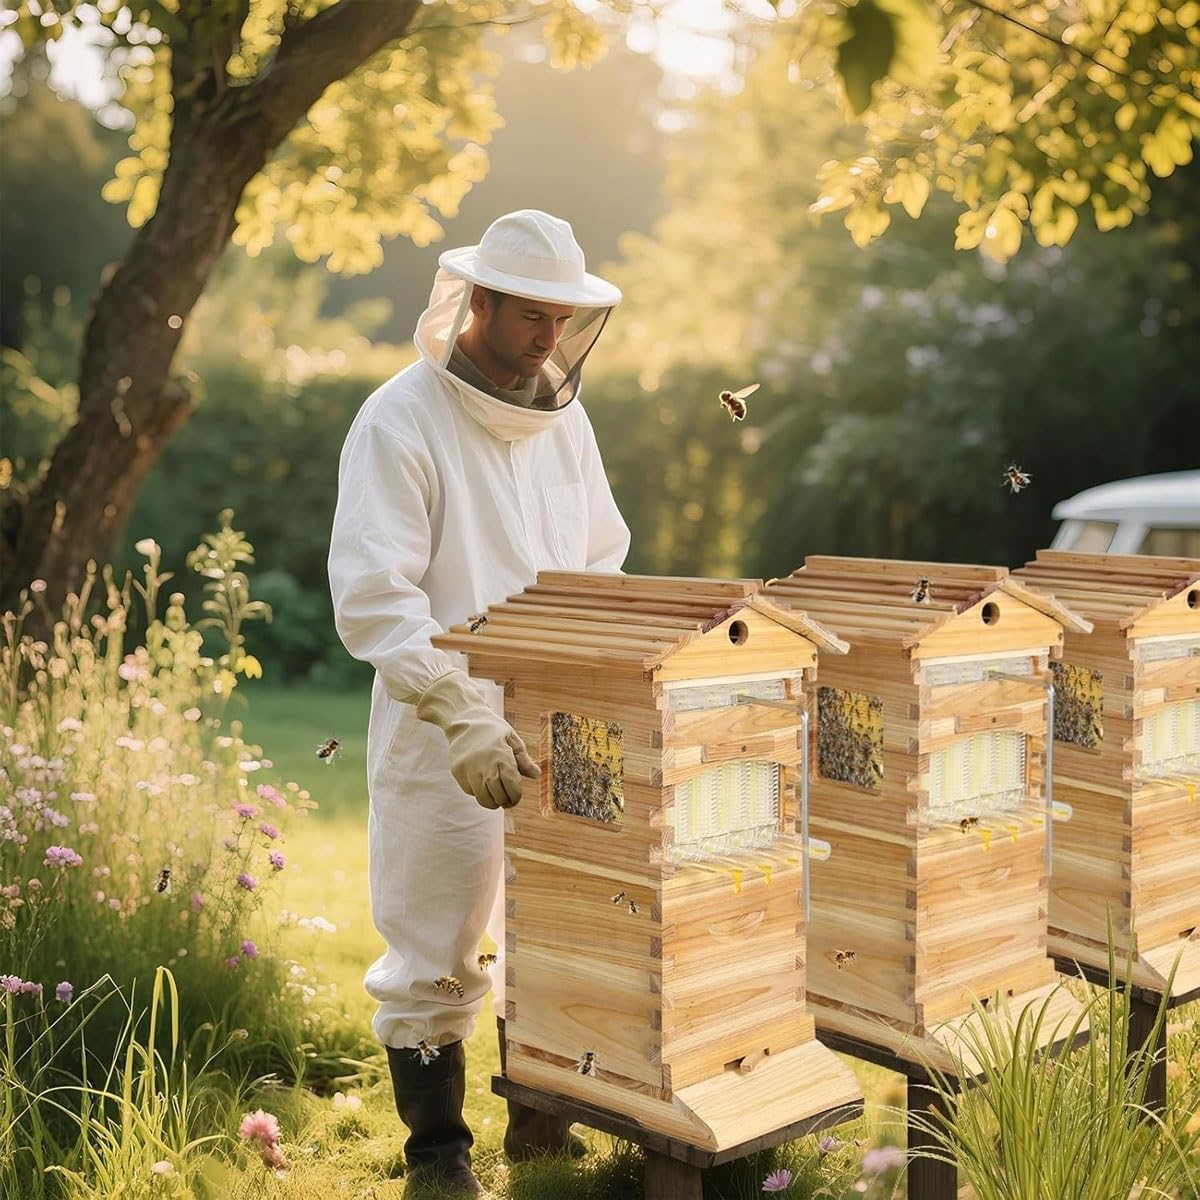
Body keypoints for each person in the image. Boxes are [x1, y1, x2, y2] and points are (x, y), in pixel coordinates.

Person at [328, 210, 631, 1198]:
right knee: (434, 932)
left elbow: (599, 561)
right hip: (440, 727)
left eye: (564, 320)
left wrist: (592, 681)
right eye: (530, 317)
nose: (548, 340)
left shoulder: (565, 422)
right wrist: (460, 711)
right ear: (479, 302)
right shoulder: (399, 419)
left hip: (559, 714)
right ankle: (437, 1157)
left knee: (560, 924)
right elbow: (376, 596)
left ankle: (541, 1128)